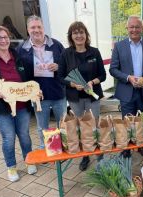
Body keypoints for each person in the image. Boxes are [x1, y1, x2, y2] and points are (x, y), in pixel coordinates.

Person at [0, 25, 37, 182]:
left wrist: (35, 91)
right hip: (0, 109)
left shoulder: (20, 58)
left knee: (24, 135)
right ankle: (11, 167)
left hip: (22, 106)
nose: (3, 40)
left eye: (5, 37)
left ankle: (29, 160)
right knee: (9, 137)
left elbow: (30, 80)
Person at [109, 15, 143, 158]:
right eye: (131, 27)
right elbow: (113, 69)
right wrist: (128, 78)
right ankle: (125, 148)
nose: (134, 29)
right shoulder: (119, 46)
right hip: (126, 91)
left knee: (140, 121)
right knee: (126, 121)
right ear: (127, 28)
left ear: (142, 29)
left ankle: (140, 146)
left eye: (137, 27)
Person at [58, 21, 106, 171]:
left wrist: (92, 82)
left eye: (81, 32)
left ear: (86, 35)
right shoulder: (66, 53)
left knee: (95, 124)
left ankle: (99, 155)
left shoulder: (94, 52)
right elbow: (60, 77)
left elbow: (103, 75)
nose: (79, 35)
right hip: (75, 97)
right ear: (71, 36)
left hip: (93, 96)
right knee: (80, 126)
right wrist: (73, 84)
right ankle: (85, 156)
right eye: (75, 33)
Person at [17, 15, 66, 149]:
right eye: (33, 27)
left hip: (58, 92)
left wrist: (59, 66)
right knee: (42, 127)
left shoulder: (56, 45)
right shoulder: (21, 49)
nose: (36, 30)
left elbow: (67, 65)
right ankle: (46, 149)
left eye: (39, 27)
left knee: (62, 125)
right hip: (38, 95)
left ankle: (63, 147)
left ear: (43, 28)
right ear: (28, 29)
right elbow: (19, 72)